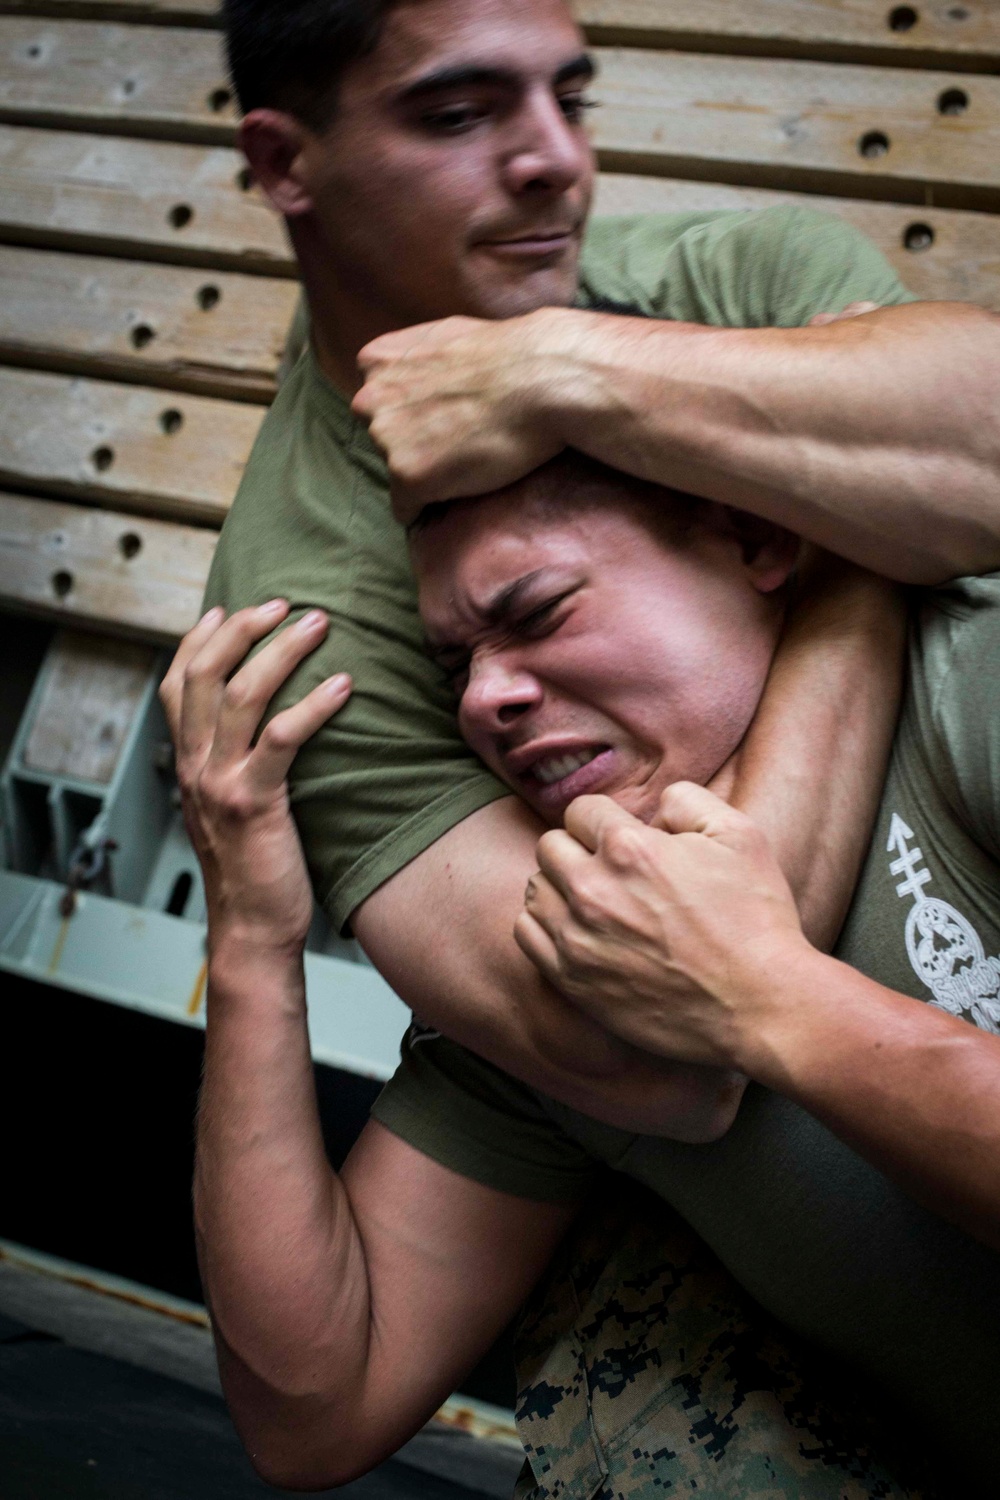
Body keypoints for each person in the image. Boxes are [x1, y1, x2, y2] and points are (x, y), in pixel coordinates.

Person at [164, 451, 1000, 1496]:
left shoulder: (967, 685)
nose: (485, 699)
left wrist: (764, 995)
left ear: (753, 542)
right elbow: (315, 1409)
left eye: (536, 613)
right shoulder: (556, 972)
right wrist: (249, 940)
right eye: (453, 667)